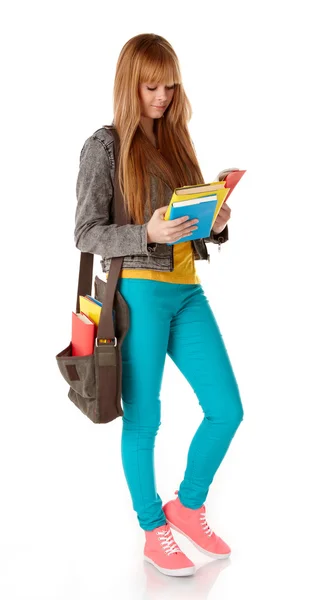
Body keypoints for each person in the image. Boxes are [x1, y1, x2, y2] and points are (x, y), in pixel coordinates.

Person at [74, 33, 244, 578]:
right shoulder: (104, 145)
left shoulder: (176, 140)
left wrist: (213, 224)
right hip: (139, 294)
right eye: (152, 86)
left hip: (187, 288)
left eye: (169, 85)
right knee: (145, 420)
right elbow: (85, 232)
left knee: (227, 408)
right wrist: (144, 233)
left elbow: (188, 224)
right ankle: (153, 529)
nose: (163, 96)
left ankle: (188, 506)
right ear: (131, 83)